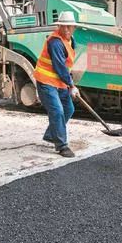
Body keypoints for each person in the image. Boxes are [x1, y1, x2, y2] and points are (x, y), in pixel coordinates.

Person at [33, 11, 81, 157]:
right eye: (63, 26)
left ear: (74, 28)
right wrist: (72, 85)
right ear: (58, 26)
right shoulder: (55, 42)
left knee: (68, 109)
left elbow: (66, 66)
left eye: (69, 27)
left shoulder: (70, 41)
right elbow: (60, 66)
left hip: (59, 82)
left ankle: (51, 135)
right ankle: (62, 146)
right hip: (46, 82)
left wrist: (69, 83)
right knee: (57, 111)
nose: (66, 29)